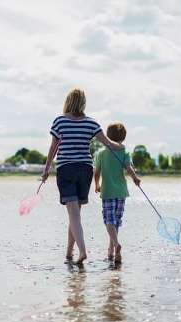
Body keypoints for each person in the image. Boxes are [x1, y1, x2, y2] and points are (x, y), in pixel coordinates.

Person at [42, 88, 124, 265]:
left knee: (73, 214)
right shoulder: (91, 123)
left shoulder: (59, 121)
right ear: (83, 103)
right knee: (75, 214)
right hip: (85, 169)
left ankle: (82, 251)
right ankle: (69, 252)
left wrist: (46, 169)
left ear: (68, 101)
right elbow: (109, 144)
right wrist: (121, 147)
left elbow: (53, 148)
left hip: (66, 170)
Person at [94, 123, 141, 263]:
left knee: (109, 221)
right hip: (121, 192)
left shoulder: (101, 153)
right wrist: (135, 178)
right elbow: (129, 168)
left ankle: (115, 245)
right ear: (123, 137)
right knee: (116, 222)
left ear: (108, 136)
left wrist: (97, 185)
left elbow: (96, 172)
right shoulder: (124, 152)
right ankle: (113, 252)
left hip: (107, 191)